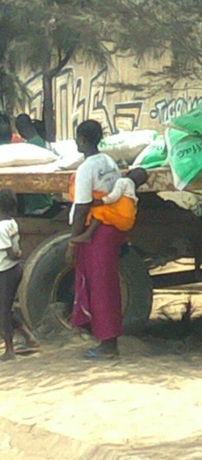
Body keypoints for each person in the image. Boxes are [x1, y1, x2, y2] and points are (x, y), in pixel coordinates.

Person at [66, 119, 123, 360]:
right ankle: (105, 336)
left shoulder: (86, 168)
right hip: (109, 227)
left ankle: (108, 344)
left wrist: (73, 241)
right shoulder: (110, 162)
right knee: (107, 284)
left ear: (82, 140)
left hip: (94, 232)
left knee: (98, 286)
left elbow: (81, 207)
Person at [0, 189, 40, 361]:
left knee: (3, 312)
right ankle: (28, 337)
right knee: (4, 309)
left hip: (5, 271)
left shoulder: (1, 227)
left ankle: (10, 349)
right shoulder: (11, 222)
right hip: (12, 269)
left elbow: (10, 253)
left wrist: (16, 254)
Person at [70, 167, 148, 244]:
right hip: (128, 221)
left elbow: (114, 196)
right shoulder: (132, 187)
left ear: (129, 173)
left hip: (121, 215)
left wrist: (101, 201)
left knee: (99, 211)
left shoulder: (124, 181)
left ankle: (87, 234)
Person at [15, 115, 54, 216]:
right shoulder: (41, 142)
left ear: (20, 129)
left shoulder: (28, 148)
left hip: (35, 204)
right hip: (45, 201)